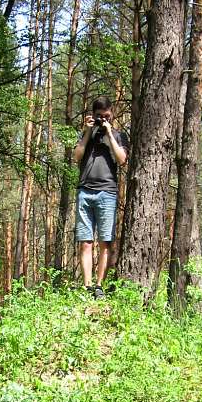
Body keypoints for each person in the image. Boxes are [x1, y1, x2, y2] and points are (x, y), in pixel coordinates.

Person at [72, 95, 129, 298]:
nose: (103, 119)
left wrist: (109, 134)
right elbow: (76, 157)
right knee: (86, 242)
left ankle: (99, 286)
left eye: (106, 116)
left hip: (107, 193)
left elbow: (122, 159)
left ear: (112, 114)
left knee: (105, 242)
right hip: (85, 191)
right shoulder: (85, 133)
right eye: (99, 116)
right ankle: (87, 286)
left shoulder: (119, 135)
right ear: (93, 115)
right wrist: (87, 132)